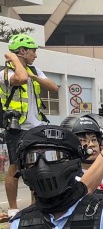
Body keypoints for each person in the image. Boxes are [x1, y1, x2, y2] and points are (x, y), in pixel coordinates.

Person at [3, 35, 60, 215]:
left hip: (35, 126)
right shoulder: (5, 73)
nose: (35, 55)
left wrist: (34, 75)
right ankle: (13, 209)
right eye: (33, 50)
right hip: (16, 128)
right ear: (22, 51)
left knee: (37, 165)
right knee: (15, 167)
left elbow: (54, 87)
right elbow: (20, 78)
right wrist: (13, 59)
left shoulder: (34, 70)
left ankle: (37, 205)